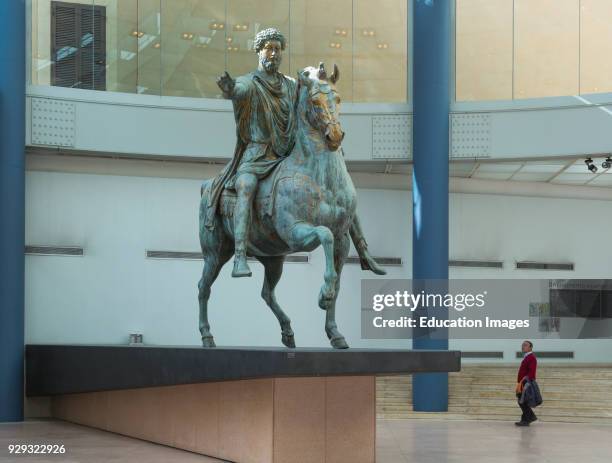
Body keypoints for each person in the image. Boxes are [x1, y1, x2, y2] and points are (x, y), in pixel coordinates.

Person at [206, 27, 385, 278]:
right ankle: (239, 256)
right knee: (245, 185)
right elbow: (239, 90)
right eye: (269, 48)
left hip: (289, 150)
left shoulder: (291, 84)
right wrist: (230, 89)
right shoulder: (250, 82)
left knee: (337, 184)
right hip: (259, 153)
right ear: (259, 51)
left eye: (278, 49)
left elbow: (312, 89)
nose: (274, 53)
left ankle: (363, 250)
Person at [515, 340, 538, 426]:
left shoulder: (531, 357)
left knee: (522, 401)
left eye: (525, 345)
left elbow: (532, 372)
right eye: (522, 345)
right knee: (522, 401)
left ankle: (530, 418)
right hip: (522, 383)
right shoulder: (527, 357)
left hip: (526, 383)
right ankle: (525, 419)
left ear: (530, 347)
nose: (523, 347)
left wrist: (525, 382)